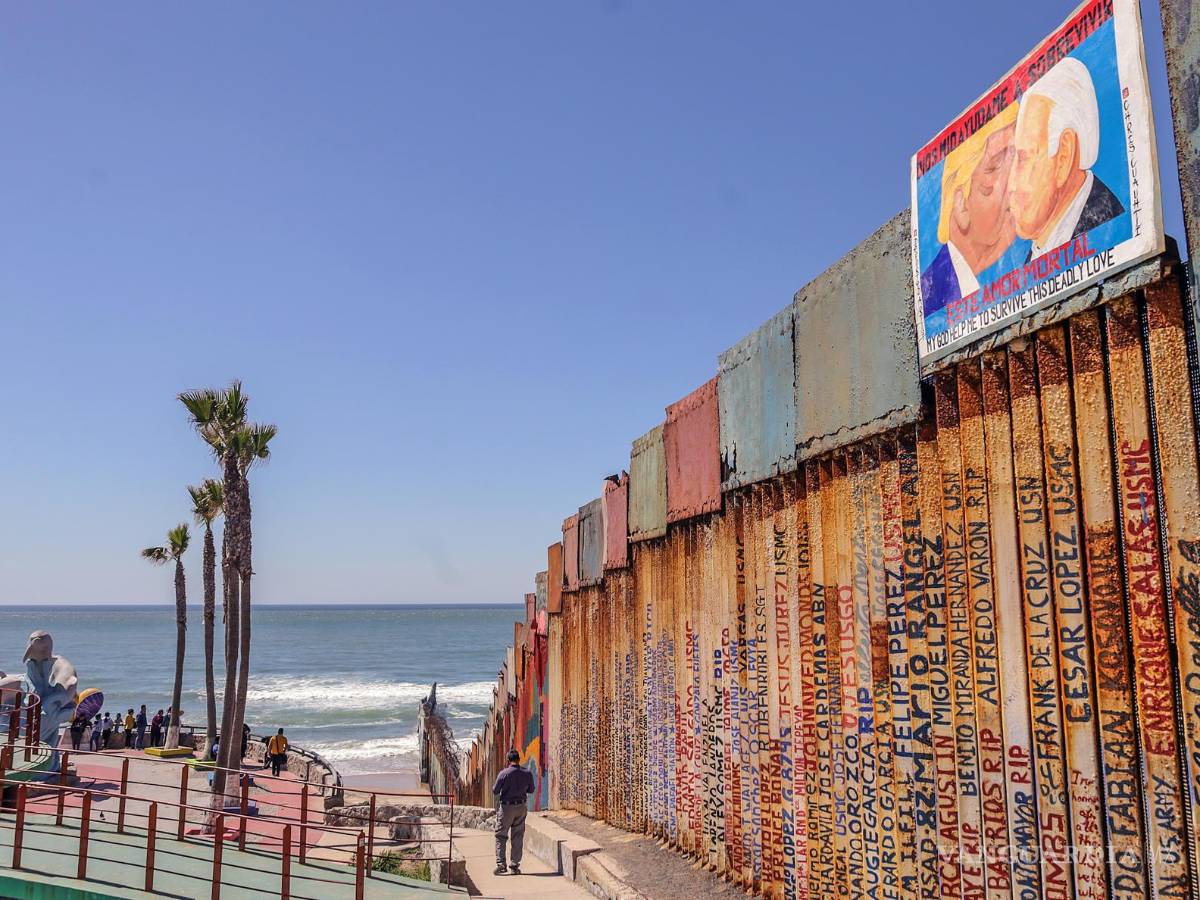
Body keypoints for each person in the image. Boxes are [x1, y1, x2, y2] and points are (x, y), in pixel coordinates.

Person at [1010, 57, 1124, 261]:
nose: (1010, 185)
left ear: (1064, 155)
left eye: (1024, 158)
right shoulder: (1036, 258)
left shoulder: (1112, 231)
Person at [920, 102, 1020, 318]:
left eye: (1018, 162)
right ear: (960, 204)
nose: (1014, 184)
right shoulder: (932, 299)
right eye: (994, 168)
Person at [492, 749, 535, 876]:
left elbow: (495, 790)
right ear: (519, 759)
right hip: (521, 806)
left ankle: (501, 864)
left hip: (506, 808)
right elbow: (531, 790)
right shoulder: (527, 773)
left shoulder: (503, 773)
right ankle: (514, 865)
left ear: (508, 760)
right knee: (517, 836)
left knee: (501, 835)